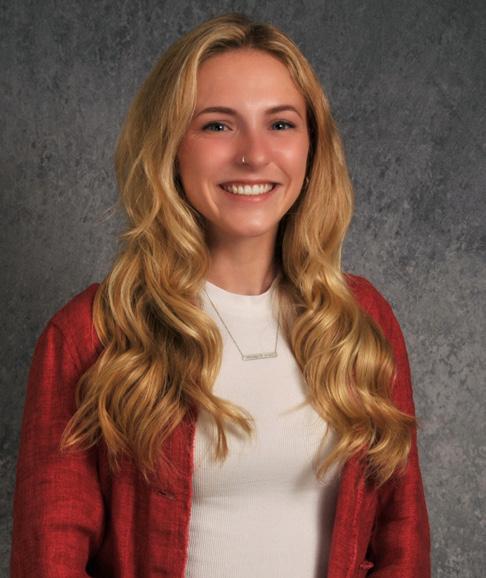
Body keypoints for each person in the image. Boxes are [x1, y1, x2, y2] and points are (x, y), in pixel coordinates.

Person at [10, 12, 430, 578]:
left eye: (280, 124)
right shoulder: (93, 334)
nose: (254, 154)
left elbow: (403, 541)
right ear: (170, 148)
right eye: (217, 126)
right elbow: (49, 560)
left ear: (312, 148)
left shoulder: (359, 321)